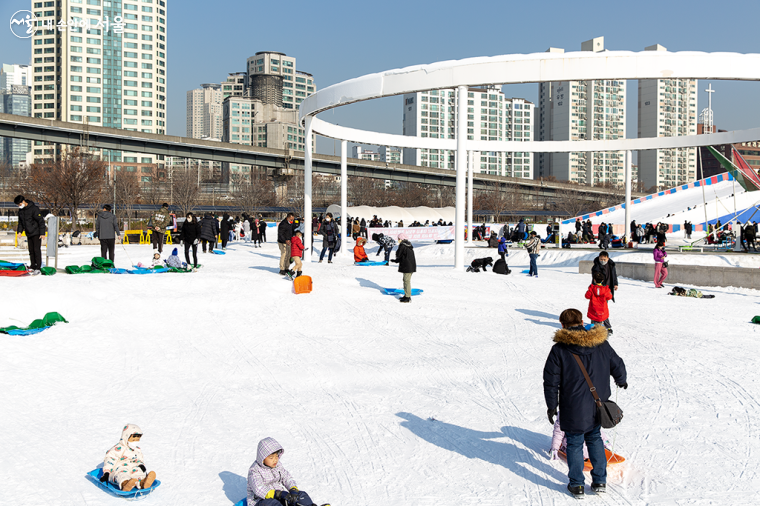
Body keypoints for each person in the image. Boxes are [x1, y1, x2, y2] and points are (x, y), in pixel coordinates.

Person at [543, 309, 627, 499]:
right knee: (594, 437)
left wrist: (551, 405)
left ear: (562, 324)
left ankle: (577, 485)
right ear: (582, 321)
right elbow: (617, 363)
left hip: (572, 406)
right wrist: (621, 379)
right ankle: (599, 482)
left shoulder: (559, 349)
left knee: (574, 443)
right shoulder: (601, 343)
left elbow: (551, 381)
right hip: (598, 404)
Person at [247, 437, 325, 506]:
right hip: (261, 501)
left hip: (280, 496)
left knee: (300, 495)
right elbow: (259, 489)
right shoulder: (254, 471)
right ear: (262, 458)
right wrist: (277, 494)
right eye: (271, 457)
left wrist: (293, 489)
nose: (275, 459)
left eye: (277, 456)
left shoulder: (277, 465)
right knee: (272, 504)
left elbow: (286, 477)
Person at [101, 424, 157, 492]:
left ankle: (142, 482)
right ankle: (125, 484)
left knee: (138, 471)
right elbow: (110, 459)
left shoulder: (137, 449)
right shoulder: (119, 448)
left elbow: (139, 459)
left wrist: (140, 464)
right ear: (126, 437)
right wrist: (107, 472)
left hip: (132, 466)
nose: (135, 442)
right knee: (122, 473)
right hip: (120, 466)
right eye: (133, 440)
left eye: (137, 440)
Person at [14, 195, 45, 275]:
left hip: (36, 232)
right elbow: (20, 222)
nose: (19, 206)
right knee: (31, 250)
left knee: (36, 250)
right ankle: (33, 266)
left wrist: (42, 233)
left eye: (19, 204)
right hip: (29, 233)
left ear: (23, 201)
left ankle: (38, 267)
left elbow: (41, 221)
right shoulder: (21, 211)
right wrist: (19, 231)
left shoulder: (34, 209)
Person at [391, 233, 416, 303]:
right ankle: (406, 295)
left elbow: (398, 254)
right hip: (410, 265)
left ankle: (407, 297)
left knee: (406, 281)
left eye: (398, 239)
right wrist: (396, 261)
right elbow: (403, 256)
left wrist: (397, 258)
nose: (398, 240)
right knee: (406, 280)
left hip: (407, 266)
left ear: (401, 239)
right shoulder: (408, 245)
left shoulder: (402, 245)